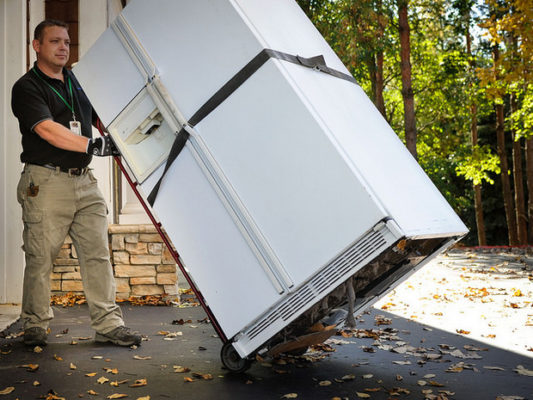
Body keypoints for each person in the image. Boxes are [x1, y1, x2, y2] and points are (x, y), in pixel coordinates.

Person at [11, 19, 142, 347]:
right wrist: (91, 145)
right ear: (36, 45)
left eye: (67, 42)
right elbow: (46, 129)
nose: (63, 47)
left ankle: (109, 324)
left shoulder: (79, 82)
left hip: (85, 182)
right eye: (55, 41)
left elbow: (100, 116)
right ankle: (35, 325)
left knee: (98, 254)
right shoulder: (27, 87)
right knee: (41, 256)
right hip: (46, 182)